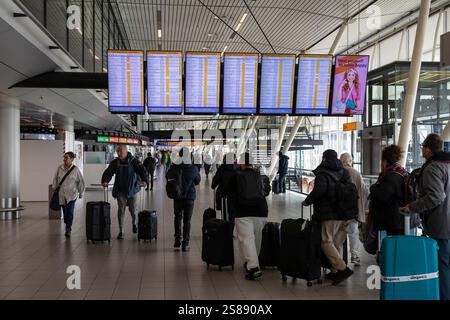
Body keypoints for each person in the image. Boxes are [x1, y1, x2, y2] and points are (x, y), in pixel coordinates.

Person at [402, 134, 450, 300]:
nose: (421, 149)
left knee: (442, 264)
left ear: (428, 149)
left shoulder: (432, 168)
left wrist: (412, 207)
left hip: (442, 224)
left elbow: (436, 197)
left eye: (423, 146)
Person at [303, 149, 354, 285]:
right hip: (345, 213)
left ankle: (342, 269)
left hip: (330, 213)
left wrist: (307, 201)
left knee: (326, 241)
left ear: (324, 158)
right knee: (336, 242)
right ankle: (335, 271)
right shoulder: (344, 171)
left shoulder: (323, 173)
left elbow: (319, 190)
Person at [223, 153, 271, 280]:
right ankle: (252, 262)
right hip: (261, 210)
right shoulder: (261, 175)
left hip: (243, 211)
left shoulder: (237, 176)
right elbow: (267, 190)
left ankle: (254, 267)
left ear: (241, 163)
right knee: (257, 239)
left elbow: (225, 191)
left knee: (246, 239)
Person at [101, 145, 148, 240]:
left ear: (126, 152)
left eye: (121, 152)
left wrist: (145, 180)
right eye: (118, 152)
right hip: (120, 190)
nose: (119, 153)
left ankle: (134, 223)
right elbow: (108, 172)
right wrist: (105, 180)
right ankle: (121, 231)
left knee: (133, 210)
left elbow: (142, 170)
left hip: (133, 189)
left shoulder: (134, 161)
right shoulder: (115, 162)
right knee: (121, 210)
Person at [167, 147, 201, 252]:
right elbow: (197, 181)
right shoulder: (193, 167)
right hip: (189, 197)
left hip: (177, 196)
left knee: (177, 217)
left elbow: (168, 176)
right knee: (187, 221)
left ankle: (177, 240)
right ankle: (185, 244)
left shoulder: (174, 166)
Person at [369, 145, 408, 236]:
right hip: (402, 217)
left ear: (385, 161)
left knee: (395, 246)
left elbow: (383, 196)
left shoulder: (390, 176)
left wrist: (373, 187)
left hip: (395, 219)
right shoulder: (402, 171)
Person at [340, 153, 368, 266]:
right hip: (353, 210)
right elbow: (364, 190)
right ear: (350, 160)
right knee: (353, 233)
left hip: (340, 210)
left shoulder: (338, 172)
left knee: (339, 233)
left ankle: (339, 258)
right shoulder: (355, 173)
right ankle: (354, 255)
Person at [52, 152, 85, 238]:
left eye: (66, 158)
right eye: (64, 157)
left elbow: (80, 182)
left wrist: (81, 192)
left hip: (72, 195)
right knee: (65, 212)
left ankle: (68, 228)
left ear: (71, 159)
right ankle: (68, 224)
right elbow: (55, 178)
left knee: (69, 212)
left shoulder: (76, 170)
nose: (64, 159)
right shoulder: (60, 168)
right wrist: (54, 188)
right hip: (61, 195)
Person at [211, 153, 239, 223]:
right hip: (235, 197)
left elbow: (214, 184)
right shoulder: (238, 168)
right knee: (232, 217)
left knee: (224, 217)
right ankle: (230, 230)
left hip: (223, 197)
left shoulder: (221, 168)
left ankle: (226, 231)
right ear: (234, 159)